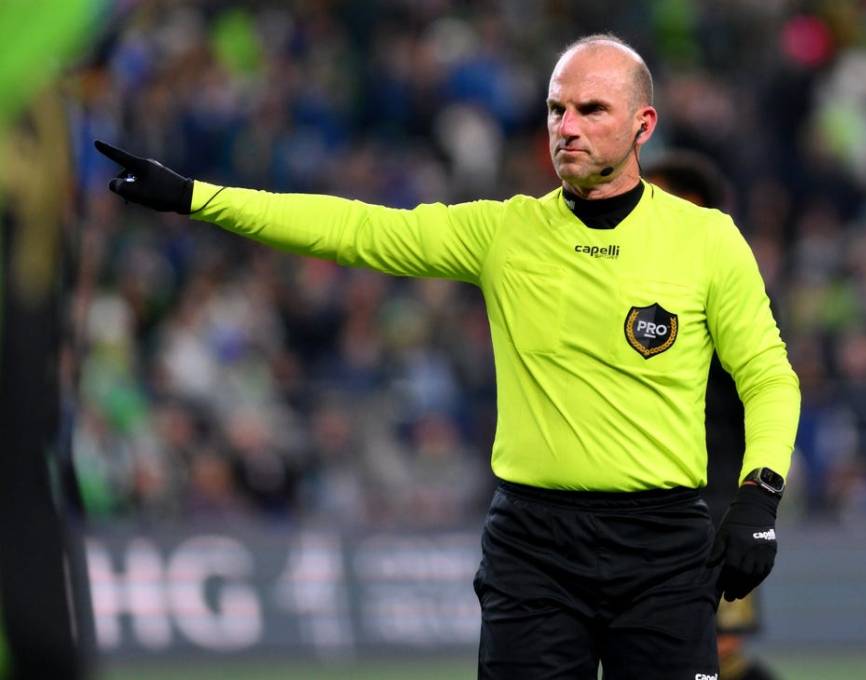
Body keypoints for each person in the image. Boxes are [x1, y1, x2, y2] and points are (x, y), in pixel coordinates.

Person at [96, 33, 800, 680]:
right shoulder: (505, 232)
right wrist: (196, 197)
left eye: (591, 110)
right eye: (557, 110)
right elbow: (354, 228)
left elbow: (768, 376)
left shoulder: (705, 240)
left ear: (643, 126)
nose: (568, 128)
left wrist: (758, 496)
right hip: (536, 546)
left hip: (664, 547)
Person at [647, 151, 780, 680]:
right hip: (644, 507)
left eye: (660, 200)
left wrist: (751, 502)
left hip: (716, 501)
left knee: (723, 653)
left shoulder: (730, 289)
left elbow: (765, 390)